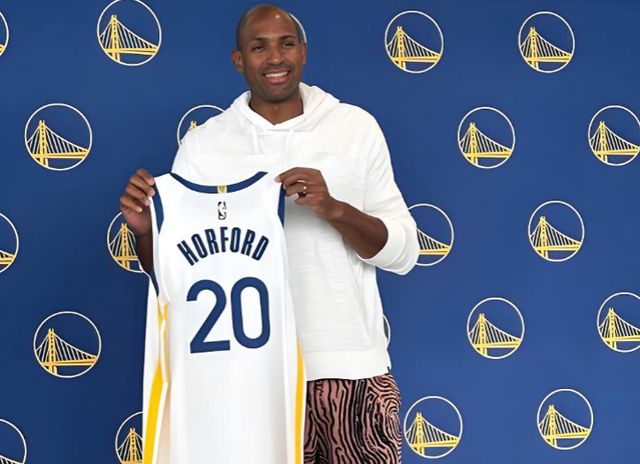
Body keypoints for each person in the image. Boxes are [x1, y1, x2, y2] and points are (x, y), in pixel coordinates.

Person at [119, 4, 419, 463]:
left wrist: (334, 208)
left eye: (286, 44)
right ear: (239, 60)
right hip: (245, 378)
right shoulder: (204, 146)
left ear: (304, 51)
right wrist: (146, 234)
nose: (275, 58)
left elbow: (404, 252)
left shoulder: (355, 128)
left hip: (349, 369)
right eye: (259, 48)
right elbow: (177, 275)